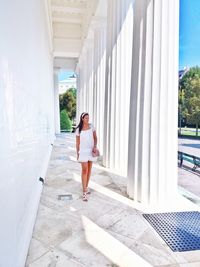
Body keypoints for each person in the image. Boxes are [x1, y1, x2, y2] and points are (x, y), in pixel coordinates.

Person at [75, 112, 98, 201]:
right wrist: (78, 153)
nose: (88, 119)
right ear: (82, 119)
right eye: (86, 118)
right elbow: (77, 143)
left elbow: (95, 138)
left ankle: (86, 187)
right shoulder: (78, 130)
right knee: (84, 170)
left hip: (90, 150)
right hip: (83, 152)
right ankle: (84, 191)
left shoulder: (91, 126)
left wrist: (95, 146)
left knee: (89, 170)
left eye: (88, 118)